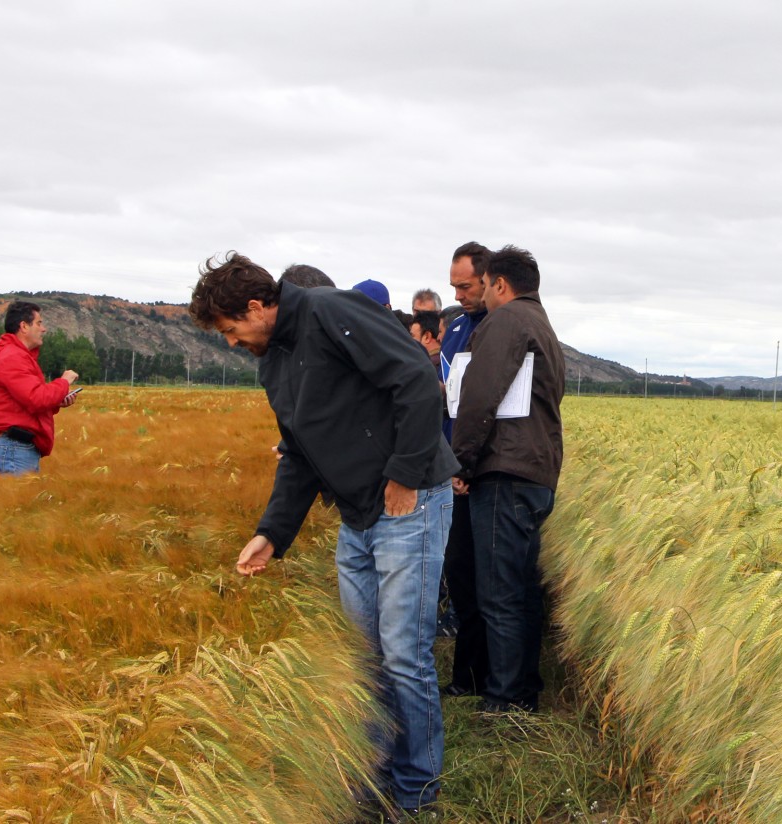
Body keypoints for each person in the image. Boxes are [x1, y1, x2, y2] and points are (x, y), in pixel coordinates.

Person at [188, 252, 457, 815]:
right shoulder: (272, 361)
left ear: (258, 307)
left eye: (232, 329)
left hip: (409, 505)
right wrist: (272, 533)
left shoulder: (332, 311)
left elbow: (415, 379)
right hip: (357, 517)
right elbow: (300, 453)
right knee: (364, 659)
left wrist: (405, 474)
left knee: (405, 654)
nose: (232, 343)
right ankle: (372, 778)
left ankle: (415, 789)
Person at [451, 245, 564, 714]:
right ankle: (521, 688)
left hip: (506, 472)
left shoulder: (507, 321)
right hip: (534, 470)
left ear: (499, 284)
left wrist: (461, 462)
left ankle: (506, 699)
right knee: (516, 585)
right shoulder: (542, 324)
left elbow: (480, 396)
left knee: (499, 591)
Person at [438, 241, 493, 696]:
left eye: (466, 286)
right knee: (459, 571)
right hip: (450, 473)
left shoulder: (501, 328)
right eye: (453, 286)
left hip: (482, 472)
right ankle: (466, 677)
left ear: (490, 278)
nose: (458, 294)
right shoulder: (455, 330)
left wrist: (469, 464)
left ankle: (483, 676)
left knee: (487, 576)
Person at [0, 301, 79, 475]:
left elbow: (23, 402)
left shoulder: (14, 355)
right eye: (39, 323)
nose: (43, 329)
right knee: (17, 502)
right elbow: (36, 398)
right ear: (23, 326)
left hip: (15, 446)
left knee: (20, 502)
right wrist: (64, 382)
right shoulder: (13, 357)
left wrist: (56, 402)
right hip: (15, 447)